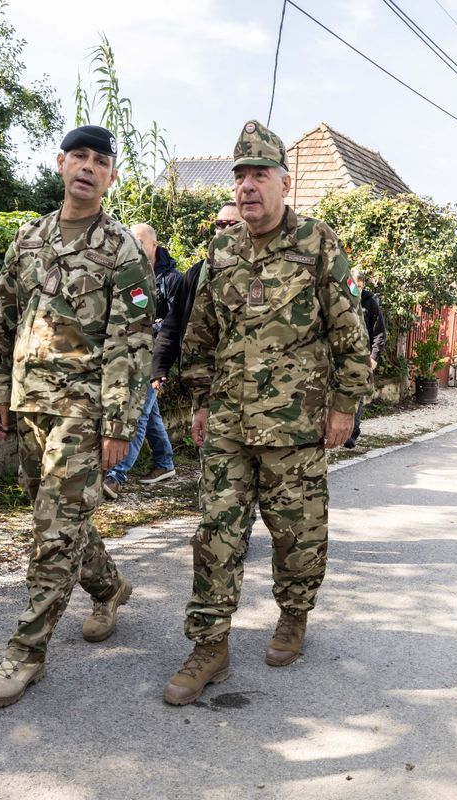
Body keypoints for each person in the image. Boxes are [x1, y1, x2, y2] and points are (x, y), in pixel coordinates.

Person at [163, 120, 371, 705]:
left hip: (298, 424)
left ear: (285, 182)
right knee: (216, 535)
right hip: (229, 421)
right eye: (240, 176)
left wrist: (344, 406)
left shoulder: (320, 244)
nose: (247, 186)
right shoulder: (223, 249)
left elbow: (349, 334)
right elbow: (200, 334)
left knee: (296, 535)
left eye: (259, 174)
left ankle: (294, 615)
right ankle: (211, 645)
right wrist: (201, 401)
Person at [0, 124, 155, 709]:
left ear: (111, 177)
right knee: (61, 516)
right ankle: (109, 587)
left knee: (53, 531)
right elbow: (5, 318)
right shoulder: (27, 239)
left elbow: (132, 342)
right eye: (79, 156)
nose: (88, 166)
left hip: (84, 407)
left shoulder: (122, 250)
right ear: (60, 164)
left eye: (100, 160)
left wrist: (119, 424)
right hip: (29, 403)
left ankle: (24, 655)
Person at [102, 223, 176, 498]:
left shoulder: (171, 279)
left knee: (139, 413)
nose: (133, 246)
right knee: (150, 412)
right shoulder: (126, 271)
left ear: (153, 245)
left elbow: (174, 322)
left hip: (153, 356)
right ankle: (165, 462)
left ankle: (115, 475)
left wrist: (161, 361)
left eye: (140, 242)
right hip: (129, 353)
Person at [150, 202, 242, 389]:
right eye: (220, 224)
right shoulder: (198, 273)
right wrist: (160, 367)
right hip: (205, 379)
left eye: (233, 224)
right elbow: (174, 321)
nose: (225, 229)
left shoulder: (261, 271)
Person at [345, 268, 386, 449]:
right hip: (343, 355)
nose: (358, 290)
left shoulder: (370, 302)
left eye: (361, 287)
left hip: (363, 357)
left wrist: (374, 357)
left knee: (359, 395)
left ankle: (352, 434)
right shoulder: (342, 299)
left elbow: (379, 333)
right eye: (355, 286)